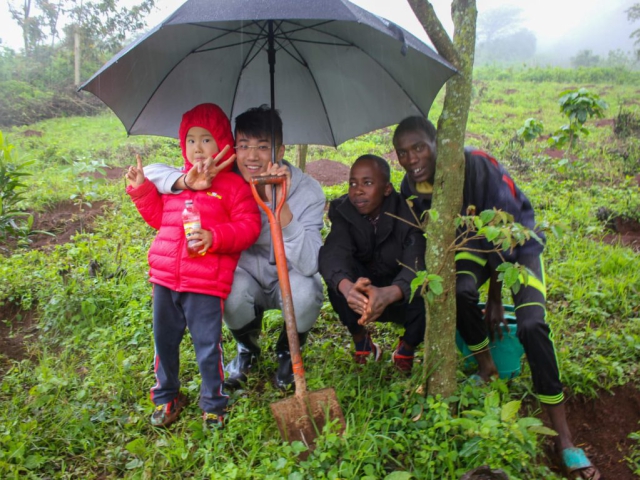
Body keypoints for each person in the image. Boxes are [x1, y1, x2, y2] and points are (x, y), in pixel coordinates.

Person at [392, 116, 601, 480]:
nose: (412, 158)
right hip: (472, 245)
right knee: (457, 292)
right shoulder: (410, 187)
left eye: (419, 147)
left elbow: (504, 228)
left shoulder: (476, 163)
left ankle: (564, 438)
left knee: (533, 325)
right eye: (403, 152)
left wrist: (495, 294)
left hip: (518, 245)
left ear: (439, 141)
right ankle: (486, 366)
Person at [145, 105, 325, 390]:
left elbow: (311, 263)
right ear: (232, 148)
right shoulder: (220, 179)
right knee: (227, 290)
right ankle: (247, 348)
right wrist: (186, 180)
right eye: (244, 146)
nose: (252, 156)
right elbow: (151, 172)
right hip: (243, 275)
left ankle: (288, 351)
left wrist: (283, 211)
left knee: (307, 292)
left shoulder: (309, 191)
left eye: (263, 146)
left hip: (289, 277)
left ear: (281, 149)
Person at [125, 103, 261, 429]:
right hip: (165, 278)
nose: (198, 148)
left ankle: (213, 403)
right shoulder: (179, 182)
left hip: (205, 282)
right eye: (191, 140)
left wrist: (214, 237)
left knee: (206, 346)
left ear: (223, 143)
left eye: (206, 140)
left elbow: (248, 227)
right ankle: (166, 397)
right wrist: (141, 189)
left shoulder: (233, 186)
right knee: (164, 342)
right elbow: (158, 217)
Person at [318, 154, 426, 374]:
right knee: (336, 281)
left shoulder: (407, 213)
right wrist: (348, 289)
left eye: (367, 183)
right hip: (362, 293)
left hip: (398, 294)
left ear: (387, 189)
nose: (357, 190)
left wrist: (391, 293)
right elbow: (334, 253)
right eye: (353, 183)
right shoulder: (343, 211)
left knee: (426, 285)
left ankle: (406, 347)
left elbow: (416, 261)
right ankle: (362, 342)